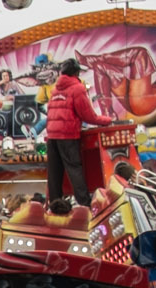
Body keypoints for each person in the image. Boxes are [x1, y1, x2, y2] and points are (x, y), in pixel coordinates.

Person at [45, 59, 115, 204]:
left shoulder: (55, 89)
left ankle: (55, 205)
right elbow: (88, 115)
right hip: (67, 136)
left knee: (54, 173)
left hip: (52, 136)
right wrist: (108, 120)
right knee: (74, 168)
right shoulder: (77, 88)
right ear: (76, 72)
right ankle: (85, 204)